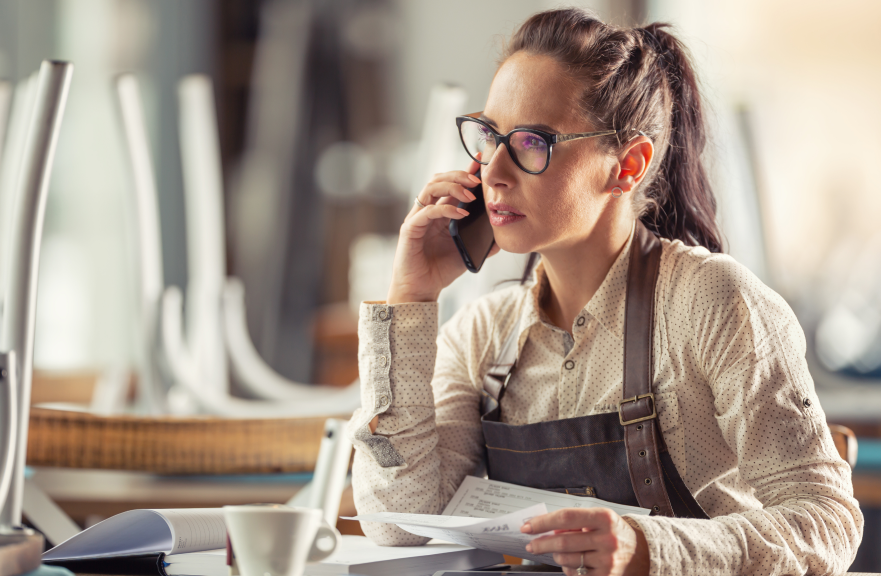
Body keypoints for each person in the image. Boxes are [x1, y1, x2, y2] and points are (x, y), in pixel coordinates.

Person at [348, 8, 862, 576]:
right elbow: (396, 521)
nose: (492, 171)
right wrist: (410, 299)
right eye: (490, 136)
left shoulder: (713, 303)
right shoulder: (482, 334)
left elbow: (825, 522)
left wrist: (648, 549)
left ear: (628, 165)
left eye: (531, 142)